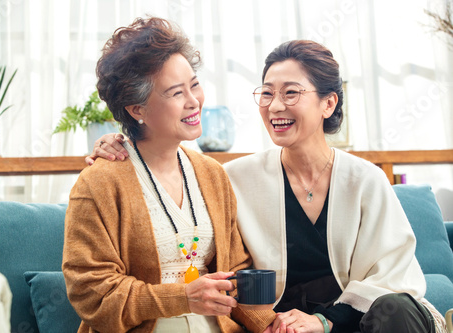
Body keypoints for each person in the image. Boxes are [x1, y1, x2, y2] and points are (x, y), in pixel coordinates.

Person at [89, 39, 447, 333]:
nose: (275, 106)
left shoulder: (364, 179)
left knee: (394, 311)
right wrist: (122, 141)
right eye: (266, 93)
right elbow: (165, 176)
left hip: (361, 324)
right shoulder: (231, 177)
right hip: (280, 326)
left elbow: (394, 278)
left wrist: (324, 322)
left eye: (291, 93)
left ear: (328, 102)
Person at [62, 17, 276, 333]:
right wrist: (181, 297)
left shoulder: (212, 174)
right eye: (176, 93)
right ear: (137, 109)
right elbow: (92, 294)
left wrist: (270, 325)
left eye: (194, 84)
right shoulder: (99, 183)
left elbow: (236, 270)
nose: (194, 102)